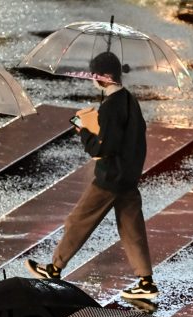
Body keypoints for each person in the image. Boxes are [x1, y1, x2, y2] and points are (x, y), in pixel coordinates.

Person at [26, 52, 159, 301]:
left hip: (110, 178)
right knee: (132, 229)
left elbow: (103, 148)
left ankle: (54, 269)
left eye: (94, 75)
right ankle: (146, 282)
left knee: (78, 221)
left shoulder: (111, 107)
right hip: (128, 177)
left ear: (104, 77)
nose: (92, 80)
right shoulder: (129, 100)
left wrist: (84, 132)